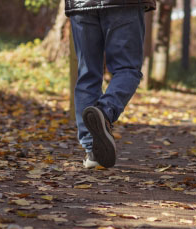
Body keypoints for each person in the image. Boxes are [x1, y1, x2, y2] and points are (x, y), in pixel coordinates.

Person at [66, 0, 156, 169]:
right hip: (123, 5)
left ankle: (93, 151)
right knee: (127, 68)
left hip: (81, 4)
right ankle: (105, 111)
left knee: (87, 74)